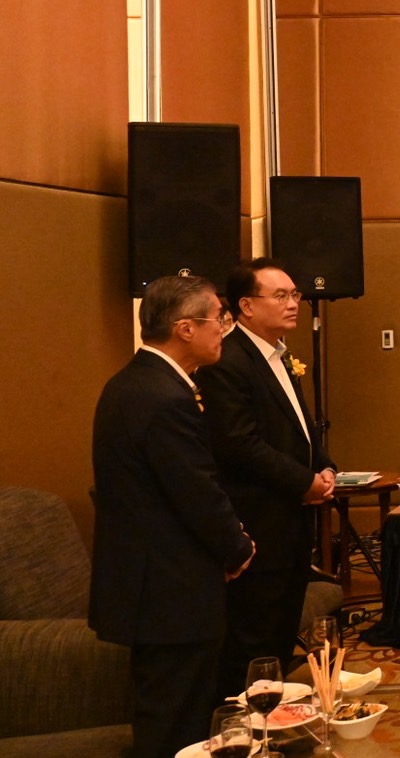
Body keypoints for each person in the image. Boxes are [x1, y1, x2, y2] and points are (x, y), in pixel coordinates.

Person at [89, 275, 256, 758]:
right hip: (170, 591)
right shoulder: (163, 397)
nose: (223, 329)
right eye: (218, 319)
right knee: (175, 724)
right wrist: (238, 547)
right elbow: (196, 491)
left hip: (157, 585)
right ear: (185, 329)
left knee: (173, 714)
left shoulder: (136, 382)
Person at [202, 257, 336, 698]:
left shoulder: (280, 353)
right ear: (246, 305)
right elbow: (240, 444)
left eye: (294, 294)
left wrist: (325, 466)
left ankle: (275, 719)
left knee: (280, 636)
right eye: (280, 295)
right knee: (254, 641)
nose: (293, 303)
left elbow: (300, 426)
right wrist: (303, 482)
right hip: (259, 523)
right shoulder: (227, 360)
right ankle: (246, 723)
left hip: (291, 523)